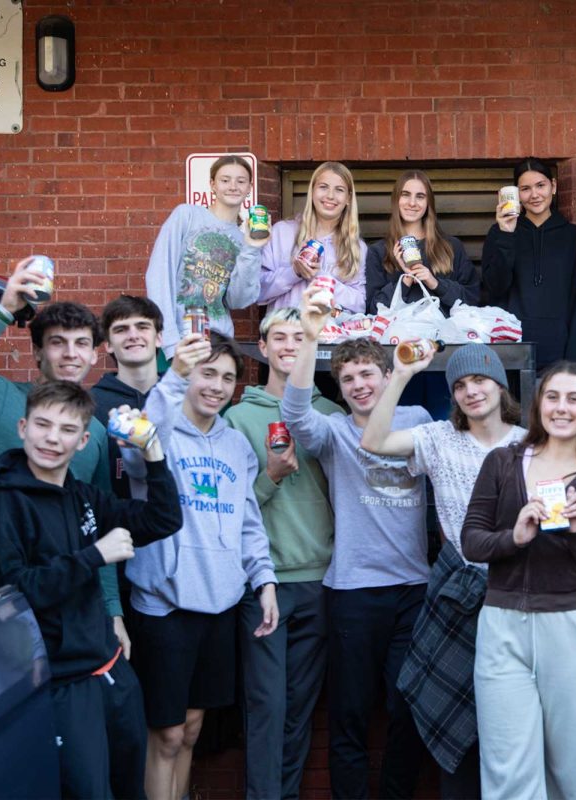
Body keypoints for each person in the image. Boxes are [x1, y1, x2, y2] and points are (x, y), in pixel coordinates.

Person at [0, 381, 182, 800]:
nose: (53, 438)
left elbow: (163, 521)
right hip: (62, 682)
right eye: (43, 425)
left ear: (84, 440)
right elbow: (19, 590)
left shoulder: (82, 495)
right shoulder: (2, 502)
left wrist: (153, 452)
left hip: (111, 669)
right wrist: (94, 555)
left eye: (67, 430)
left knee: (131, 789)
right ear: (22, 427)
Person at [360, 341, 525, 799]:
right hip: (455, 592)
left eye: (480, 380)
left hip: (515, 594)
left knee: (504, 717)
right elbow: (373, 442)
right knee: (446, 710)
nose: (472, 391)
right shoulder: (437, 438)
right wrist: (400, 375)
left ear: (500, 383)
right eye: (461, 385)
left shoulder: (529, 443)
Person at [283, 290, 431, 800]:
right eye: (347, 379)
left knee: (406, 708)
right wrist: (309, 337)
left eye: (368, 373)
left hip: (414, 588)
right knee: (347, 714)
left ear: (388, 375)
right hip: (352, 591)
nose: (359, 384)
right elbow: (295, 410)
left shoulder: (419, 423)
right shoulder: (333, 435)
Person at [461, 361, 576, 800]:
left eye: (574, 398)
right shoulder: (503, 462)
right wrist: (513, 537)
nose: (562, 407)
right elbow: (472, 541)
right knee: (508, 772)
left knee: (571, 775)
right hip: (502, 626)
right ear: (539, 404)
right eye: (553, 397)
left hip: (572, 628)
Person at [0, 258, 124, 637]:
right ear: (37, 353)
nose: (71, 354)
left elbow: (97, 527)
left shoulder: (95, 434)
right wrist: (3, 310)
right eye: (58, 343)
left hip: (69, 591)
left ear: (94, 355)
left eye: (81, 344)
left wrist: (112, 611)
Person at [123, 333, 279, 800]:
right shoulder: (160, 436)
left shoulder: (237, 446)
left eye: (228, 378)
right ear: (188, 375)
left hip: (220, 603)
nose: (217, 386)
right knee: (165, 734)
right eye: (207, 373)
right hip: (164, 605)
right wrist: (173, 377)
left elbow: (249, 524)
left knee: (191, 730)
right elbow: (138, 446)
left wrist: (264, 581)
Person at [223, 307, 343, 800]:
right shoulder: (236, 417)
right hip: (264, 582)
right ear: (265, 348)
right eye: (280, 336)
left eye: (300, 335)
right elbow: (227, 509)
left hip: (319, 579)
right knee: (266, 707)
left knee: (299, 710)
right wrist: (269, 478)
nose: (290, 344)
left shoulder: (332, 415)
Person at [145, 155, 268, 360]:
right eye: (225, 180)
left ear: (249, 188)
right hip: (178, 340)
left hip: (218, 343)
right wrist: (170, 342)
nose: (233, 186)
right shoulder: (187, 215)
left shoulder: (244, 239)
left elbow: (237, 300)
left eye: (240, 181)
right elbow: (158, 276)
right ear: (212, 184)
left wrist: (251, 248)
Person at [482, 157, 576, 367]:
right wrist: (506, 234)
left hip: (560, 350)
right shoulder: (498, 233)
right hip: (510, 349)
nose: (534, 195)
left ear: (554, 186)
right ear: (517, 194)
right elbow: (495, 287)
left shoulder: (574, 236)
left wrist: (573, 359)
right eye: (525, 189)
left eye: (541, 185)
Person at [259, 161, 368, 318]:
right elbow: (257, 292)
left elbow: (359, 304)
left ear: (348, 198)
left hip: (330, 339)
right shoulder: (282, 232)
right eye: (323, 187)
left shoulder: (356, 246)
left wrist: (321, 278)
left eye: (339, 190)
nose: (330, 195)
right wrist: (294, 272)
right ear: (312, 191)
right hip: (285, 336)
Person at [364, 169, 479, 314]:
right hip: (397, 335)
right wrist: (405, 280)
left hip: (443, 335)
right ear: (396, 200)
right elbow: (372, 309)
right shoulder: (378, 251)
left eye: (420, 196)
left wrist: (435, 283)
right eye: (405, 195)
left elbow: (472, 298)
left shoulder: (451, 247)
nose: (412, 203)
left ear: (428, 203)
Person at [92, 294, 165, 501]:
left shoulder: (181, 400)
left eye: (142, 327)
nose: (133, 335)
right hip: (113, 526)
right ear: (108, 344)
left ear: (159, 337)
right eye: (121, 329)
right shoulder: (91, 405)